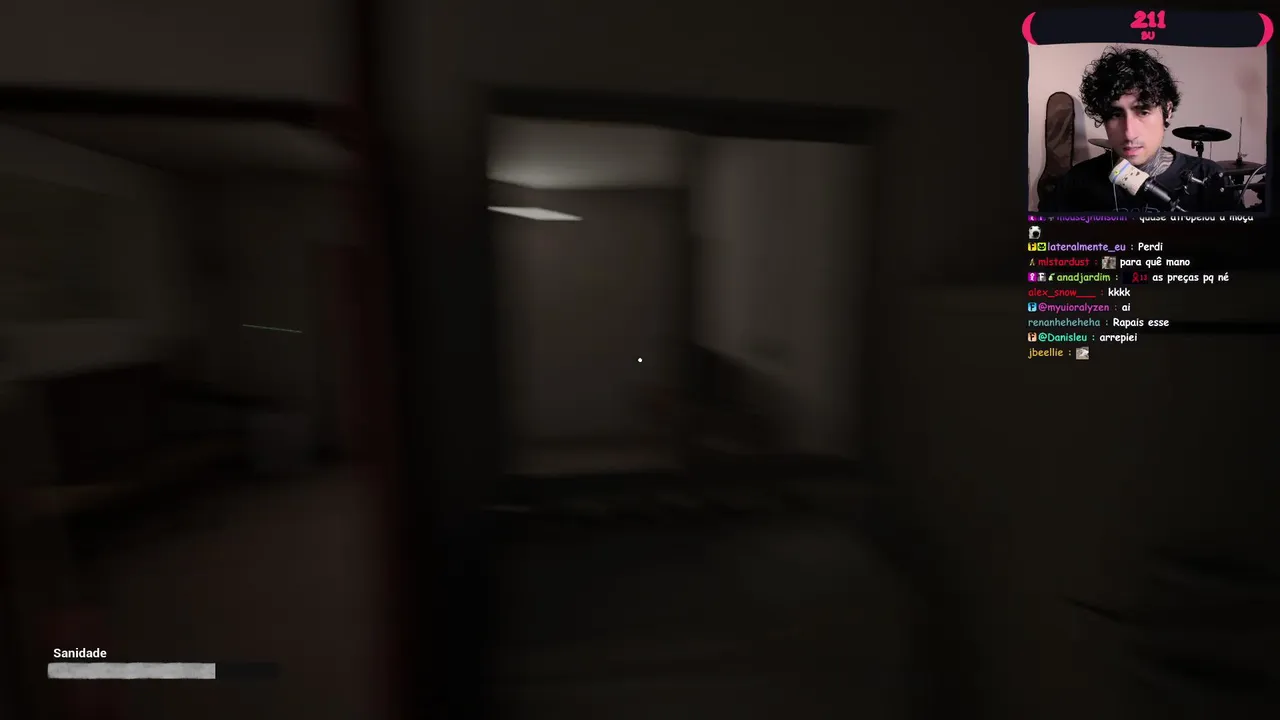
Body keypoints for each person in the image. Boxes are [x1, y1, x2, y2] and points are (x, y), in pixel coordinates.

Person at [1038, 47, 1233, 213]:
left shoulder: (1208, 177)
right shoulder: (1076, 182)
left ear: (1167, 111)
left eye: (1143, 112)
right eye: (1115, 114)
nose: (1129, 133)